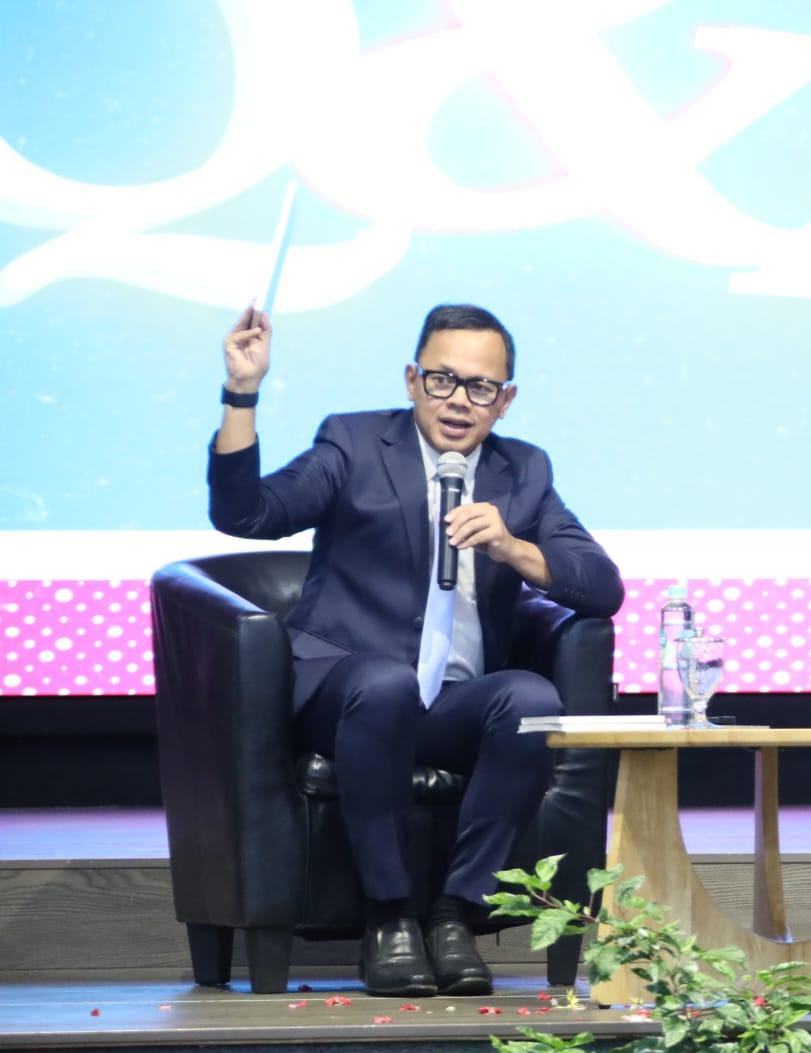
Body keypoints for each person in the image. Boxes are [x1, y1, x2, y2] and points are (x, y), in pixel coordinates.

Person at [209, 303, 623, 997]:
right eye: (442, 380)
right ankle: (389, 917)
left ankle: (455, 915)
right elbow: (247, 513)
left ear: (505, 400)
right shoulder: (355, 443)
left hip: (450, 703)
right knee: (386, 684)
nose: (459, 401)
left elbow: (602, 587)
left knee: (530, 699)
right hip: (347, 694)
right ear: (412, 381)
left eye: (480, 387)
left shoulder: (523, 471)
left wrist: (512, 547)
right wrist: (242, 394)